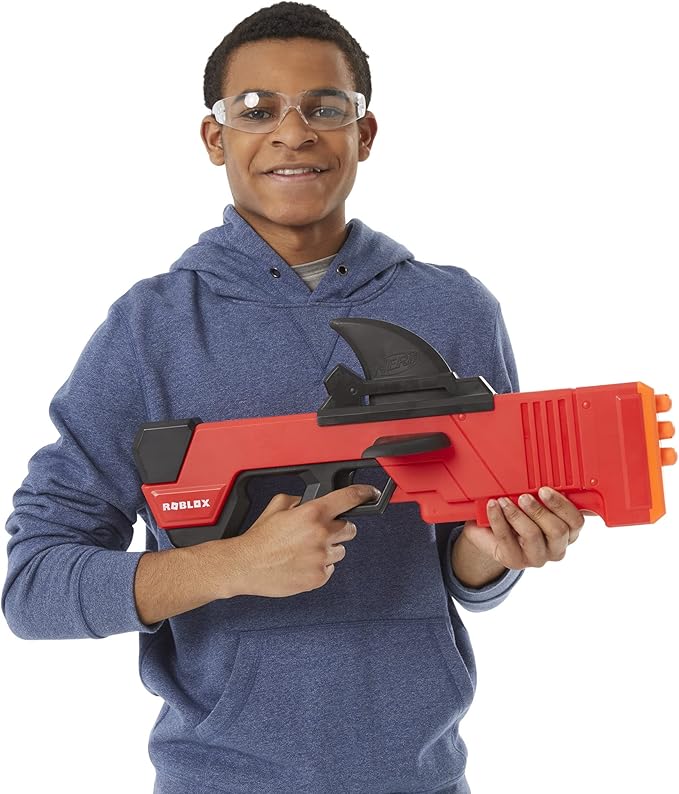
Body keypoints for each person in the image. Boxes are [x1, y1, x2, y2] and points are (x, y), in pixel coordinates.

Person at [2, 3, 585, 792]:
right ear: (215, 138)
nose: (293, 132)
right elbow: (34, 587)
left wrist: (494, 551)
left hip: (422, 777)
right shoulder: (147, 329)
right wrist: (231, 565)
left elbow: (464, 559)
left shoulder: (455, 310)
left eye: (324, 108)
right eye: (256, 109)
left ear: (363, 134)